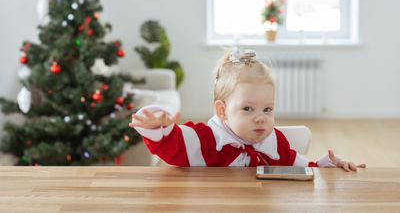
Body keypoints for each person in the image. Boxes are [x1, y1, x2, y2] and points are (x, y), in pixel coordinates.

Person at [129, 48, 366, 171]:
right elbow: (173, 145)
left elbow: (305, 171)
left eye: (267, 109)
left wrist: (330, 166)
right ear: (222, 111)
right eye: (248, 108)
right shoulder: (206, 140)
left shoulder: (276, 143)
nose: (260, 118)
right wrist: (156, 124)